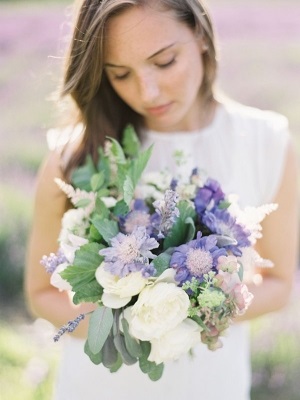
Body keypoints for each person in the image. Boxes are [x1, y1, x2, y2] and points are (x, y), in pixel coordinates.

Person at [25, 0, 298, 399]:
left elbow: (279, 283)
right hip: (100, 387)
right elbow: (39, 293)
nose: (147, 92)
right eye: (120, 74)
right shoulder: (75, 156)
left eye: (165, 61)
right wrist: (133, 326)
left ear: (201, 36)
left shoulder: (267, 142)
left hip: (210, 385)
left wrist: (187, 311)